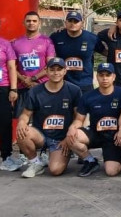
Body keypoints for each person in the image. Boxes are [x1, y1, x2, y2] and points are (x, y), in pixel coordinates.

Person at [15, 57, 82, 177]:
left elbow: (79, 118)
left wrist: (69, 137)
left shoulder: (74, 90)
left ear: (65, 71)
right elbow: (25, 114)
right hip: (40, 135)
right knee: (22, 131)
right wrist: (21, 122)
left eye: (59, 69)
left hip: (61, 139)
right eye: (52, 69)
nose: (56, 72)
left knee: (55, 170)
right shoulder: (35, 91)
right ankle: (36, 163)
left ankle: (57, 155)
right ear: (46, 71)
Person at [66, 63, 121, 177]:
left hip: (114, 137)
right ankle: (90, 160)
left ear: (113, 77)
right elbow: (79, 119)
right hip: (96, 133)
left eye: (108, 75)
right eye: (101, 75)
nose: (104, 78)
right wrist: (72, 127)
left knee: (111, 172)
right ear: (96, 77)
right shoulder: (88, 96)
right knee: (72, 136)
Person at [11, 11, 56, 126]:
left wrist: (34, 78)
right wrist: (23, 79)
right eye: (28, 21)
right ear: (24, 23)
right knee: (21, 122)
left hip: (42, 87)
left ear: (39, 23)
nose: (31, 23)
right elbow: (11, 67)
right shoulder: (16, 43)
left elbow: (50, 65)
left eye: (34, 21)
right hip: (22, 88)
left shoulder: (47, 41)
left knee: (43, 121)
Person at [50, 11, 106, 94]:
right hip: (62, 83)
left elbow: (106, 52)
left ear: (82, 23)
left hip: (85, 84)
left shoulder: (91, 38)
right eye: (70, 21)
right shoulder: (56, 37)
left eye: (76, 21)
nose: (72, 24)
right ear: (65, 22)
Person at [0, 25, 18, 171]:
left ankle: (6, 156)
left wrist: (13, 88)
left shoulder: (5, 44)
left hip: (3, 87)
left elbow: (12, 67)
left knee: (5, 121)